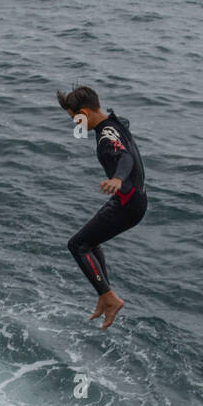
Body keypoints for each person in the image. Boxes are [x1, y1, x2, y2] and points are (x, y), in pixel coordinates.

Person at [57, 85, 147, 329]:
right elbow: (124, 133)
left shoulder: (107, 136)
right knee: (90, 243)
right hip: (134, 201)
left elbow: (125, 157)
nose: (76, 124)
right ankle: (105, 296)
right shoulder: (113, 122)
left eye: (75, 118)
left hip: (127, 205)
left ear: (84, 112)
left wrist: (117, 178)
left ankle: (109, 297)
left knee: (77, 245)